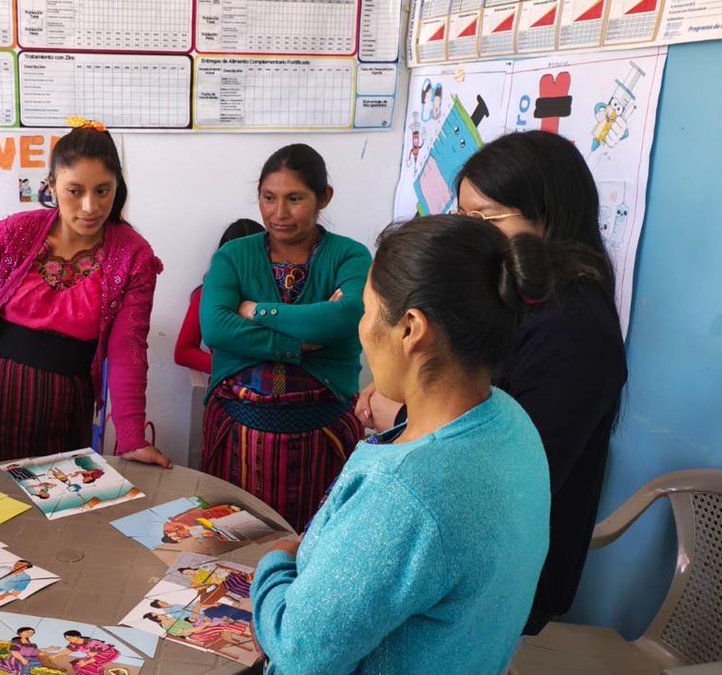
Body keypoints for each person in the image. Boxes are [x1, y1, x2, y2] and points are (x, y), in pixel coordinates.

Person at [252, 215, 552, 674]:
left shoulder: (407, 492)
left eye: (369, 311)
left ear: (411, 328)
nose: (362, 327)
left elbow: (298, 650)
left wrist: (275, 563)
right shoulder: (511, 423)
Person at [356, 130, 628, 634]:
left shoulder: (576, 331)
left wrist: (399, 417)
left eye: (486, 218)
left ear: (547, 215)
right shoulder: (510, 302)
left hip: (502, 569)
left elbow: (515, 462)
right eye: (464, 216)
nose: (470, 234)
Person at [0, 117, 171, 470]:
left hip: (65, 404)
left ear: (118, 186)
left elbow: (127, 346)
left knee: (59, 510)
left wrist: (131, 437)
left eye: (102, 190)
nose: (89, 207)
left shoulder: (133, 256)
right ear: (52, 185)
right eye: (75, 190)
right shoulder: (11, 233)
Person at [200, 144, 372, 531]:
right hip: (238, 439)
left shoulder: (350, 256)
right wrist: (295, 344)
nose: (279, 213)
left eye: (294, 199)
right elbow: (215, 327)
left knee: (318, 544)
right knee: (232, 545)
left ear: (323, 197)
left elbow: (345, 318)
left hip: (323, 438)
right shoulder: (233, 255)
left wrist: (256, 311)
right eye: (268, 198)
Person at [174, 218, 265, 373]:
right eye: (237, 260)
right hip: (228, 388)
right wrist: (232, 370)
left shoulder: (282, 292)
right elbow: (183, 352)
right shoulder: (207, 295)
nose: (245, 267)